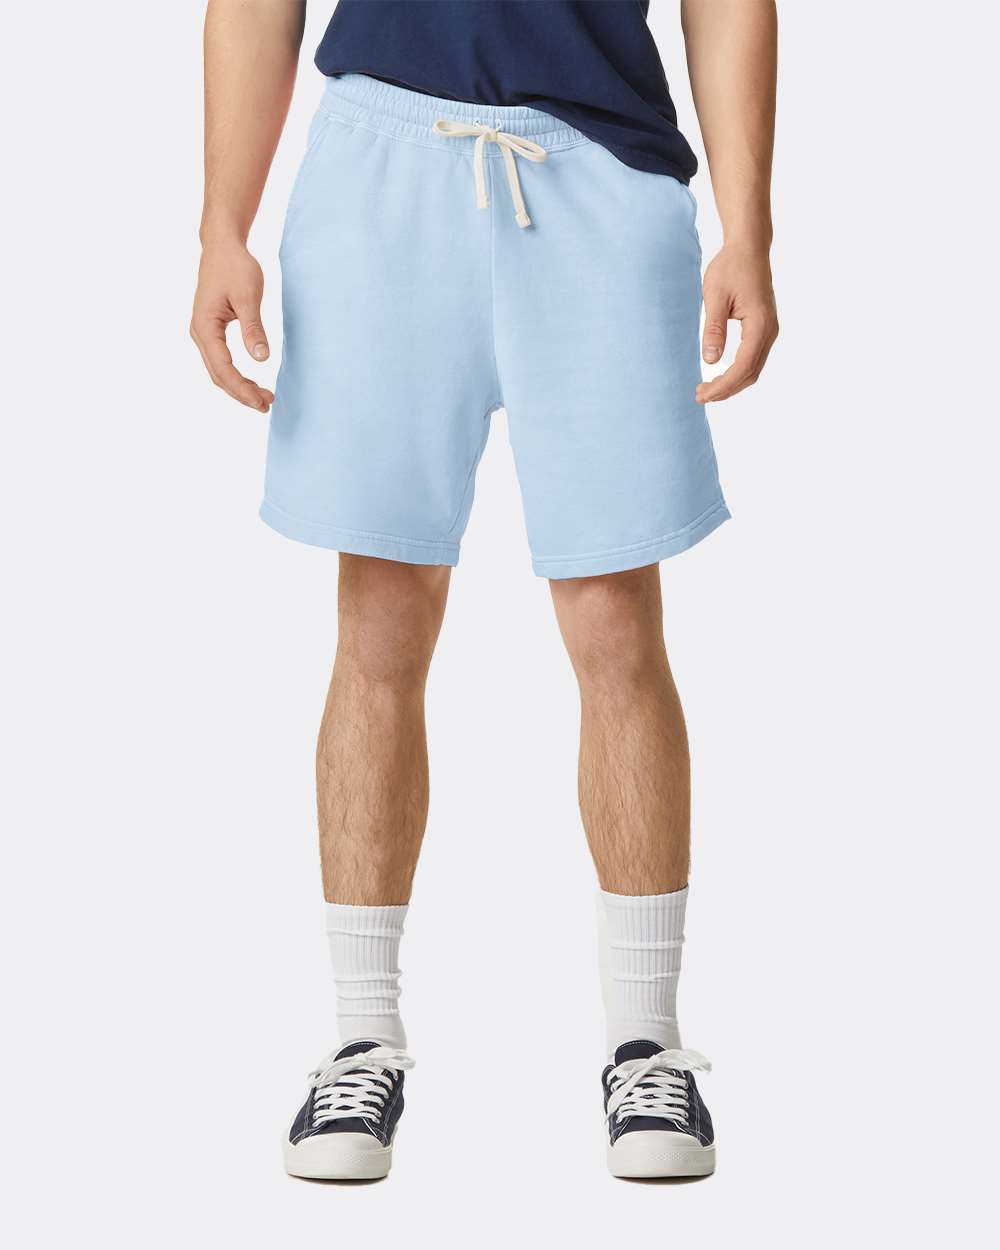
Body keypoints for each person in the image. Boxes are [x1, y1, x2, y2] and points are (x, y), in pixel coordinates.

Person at [191, 0, 778, 1181]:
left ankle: (645, 1042)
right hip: (380, 167)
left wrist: (748, 229)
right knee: (380, 613)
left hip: (600, 172)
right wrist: (221, 224)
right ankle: (361, 1035)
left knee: (613, 615)